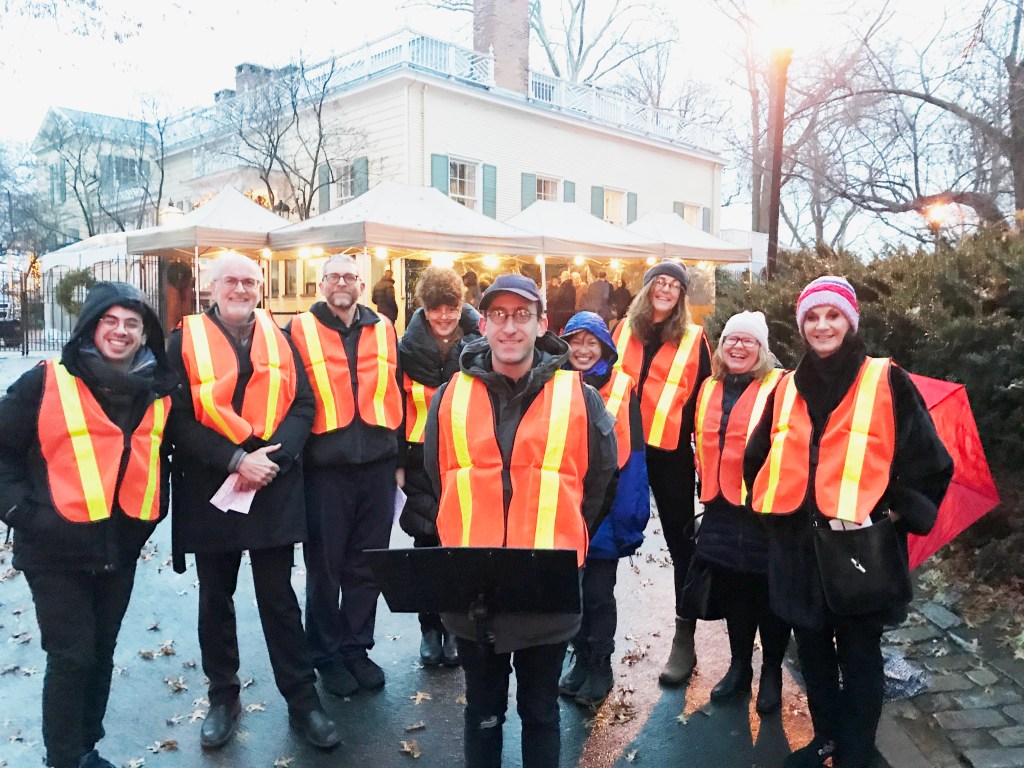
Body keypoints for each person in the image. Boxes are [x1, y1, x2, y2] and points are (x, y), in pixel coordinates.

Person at [743, 276, 953, 768]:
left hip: (859, 548)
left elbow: (931, 465)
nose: (822, 325)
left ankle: (858, 749)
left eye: (832, 315)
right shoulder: (786, 387)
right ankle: (827, 738)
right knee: (812, 650)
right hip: (798, 548)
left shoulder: (885, 379)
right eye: (812, 317)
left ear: (850, 321)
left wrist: (885, 514)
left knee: (860, 655)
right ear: (801, 327)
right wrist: (775, 514)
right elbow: (758, 459)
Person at [423, 275, 618, 768]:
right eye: (499, 316)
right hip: (473, 588)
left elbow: (599, 484)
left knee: (541, 712)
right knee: (483, 713)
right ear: (484, 324)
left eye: (522, 315)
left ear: (541, 323)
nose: (510, 328)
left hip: (546, 587)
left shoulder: (579, 396)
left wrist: (565, 536)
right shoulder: (449, 397)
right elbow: (434, 478)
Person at [167, 253, 340, 750]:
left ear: (259, 288)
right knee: (214, 599)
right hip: (211, 488)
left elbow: (304, 404)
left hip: (272, 485)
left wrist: (271, 462)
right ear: (211, 287)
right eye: (231, 281)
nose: (241, 289)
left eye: (249, 281)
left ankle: (302, 700)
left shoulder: (281, 337)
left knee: (279, 600)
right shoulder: (183, 340)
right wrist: (235, 460)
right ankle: (223, 696)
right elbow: (176, 420)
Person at [0, 282, 176, 768]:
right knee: (72, 656)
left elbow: (164, 452)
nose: (121, 331)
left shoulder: (157, 388)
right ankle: (63, 758)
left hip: (117, 548)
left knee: (100, 653)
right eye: (110, 320)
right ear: (91, 325)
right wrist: (22, 513)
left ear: (145, 334)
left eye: (132, 323)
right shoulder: (45, 381)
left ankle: (84, 749)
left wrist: (151, 515)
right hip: (53, 549)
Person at [286, 254, 403, 697]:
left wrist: (399, 463)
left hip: (376, 465)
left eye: (350, 276)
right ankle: (325, 654)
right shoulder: (297, 329)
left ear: (361, 284)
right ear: (320, 284)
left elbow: (399, 391)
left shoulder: (384, 328)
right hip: (324, 469)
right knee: (326, 568)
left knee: (366, 565)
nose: (342, 283)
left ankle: (357, 648)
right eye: (333, 276)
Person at [611, 260, 711, 686]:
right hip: (623, 448)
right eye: (660, 282)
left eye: (674, 285)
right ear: (648, 287)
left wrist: (705, 465)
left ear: (681, 295)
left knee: (681, 543)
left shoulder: (694, 339)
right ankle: (589, 640)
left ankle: (683, 638)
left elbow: (706, 404)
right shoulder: (622, 330)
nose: (666, 289)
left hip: (670, 454)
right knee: (602, 535)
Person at [690, 311, 791, 714]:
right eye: (731, 339)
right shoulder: (708, 387)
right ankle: (739, 668)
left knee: (768, 595)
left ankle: (771, 673)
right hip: (720, 507)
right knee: (734, 593)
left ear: (762, 349)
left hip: (764, 509)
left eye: (748, 341)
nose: (738, 346)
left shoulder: (781, 386)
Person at [557, 311, 649, 707]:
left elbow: (635, 456)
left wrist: (629, 516)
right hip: (564, 506)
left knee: (597, 593)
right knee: (571, 594)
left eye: (590, 342)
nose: (581, 349)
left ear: (604, 348)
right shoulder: (553, 383)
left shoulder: (622, 387)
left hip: (607, 510)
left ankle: (600, 665)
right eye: (574, 341)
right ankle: (580, 659)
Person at [398, 266, 480, 667]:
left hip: (466, 457)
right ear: (424, 310)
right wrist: (397, 462)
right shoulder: (405, 349)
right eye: (436, 310)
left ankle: (456, 627)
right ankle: (430, 629)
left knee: (463, 546)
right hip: (419, 459)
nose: (444, 317)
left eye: (451, 309)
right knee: (428, 545)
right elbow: (394, 407)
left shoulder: (479, 343)